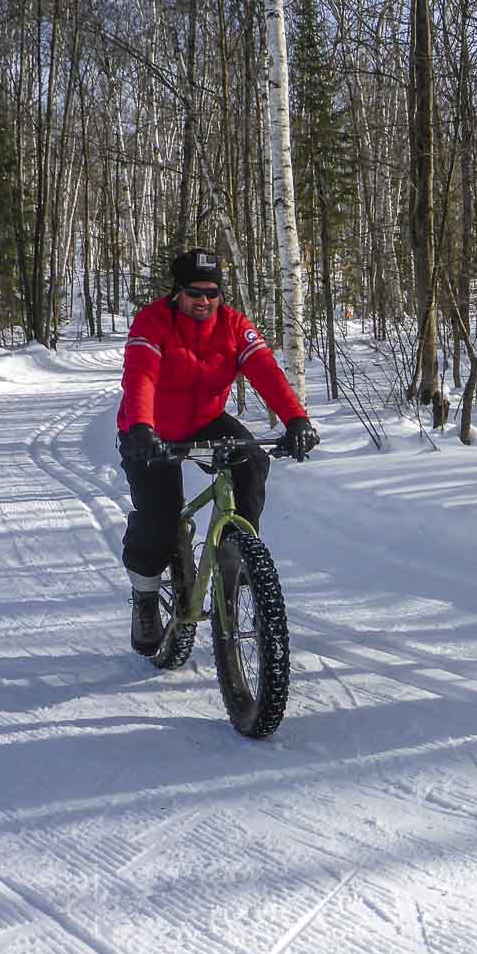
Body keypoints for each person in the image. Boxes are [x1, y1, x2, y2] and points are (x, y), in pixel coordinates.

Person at [117, 248, 317, 655]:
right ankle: (145, 596)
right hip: (149, 427)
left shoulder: (233, 325)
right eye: (194, 293)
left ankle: (236, 554)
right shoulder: (153, 322)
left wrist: (296, 419)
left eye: (212, 292)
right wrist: (139, 427)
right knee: (160, 519)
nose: (204, 301)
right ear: (177, 292)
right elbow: (141, 376)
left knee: (253, 460)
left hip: (205, 419)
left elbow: (265, 370)